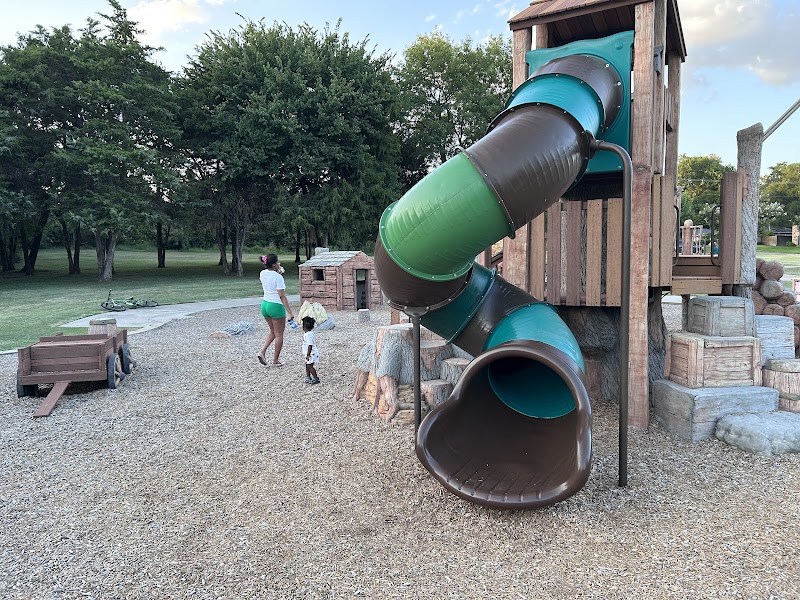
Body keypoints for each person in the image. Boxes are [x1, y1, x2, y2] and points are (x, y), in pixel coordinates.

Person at [258, 254, 294, 367]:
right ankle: (275, 360)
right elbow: (282, 296)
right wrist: (289, 312)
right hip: (275, 306)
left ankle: (262, 352)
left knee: (272, 331)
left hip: (265, 305)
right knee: (279, 335)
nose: (279, 264)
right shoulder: (278, 278)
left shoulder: (262, 273)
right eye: (278, 262)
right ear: (274, 264)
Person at [301, 316, 320, 384]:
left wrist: (308, 355)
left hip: (311, 354)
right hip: (309, 353)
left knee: (310, 366)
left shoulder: (308, 335)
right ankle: (308, 376)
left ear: (304, 327)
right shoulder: (308, 334)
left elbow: (310, 345)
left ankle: (316, 378)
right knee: (307, 365)